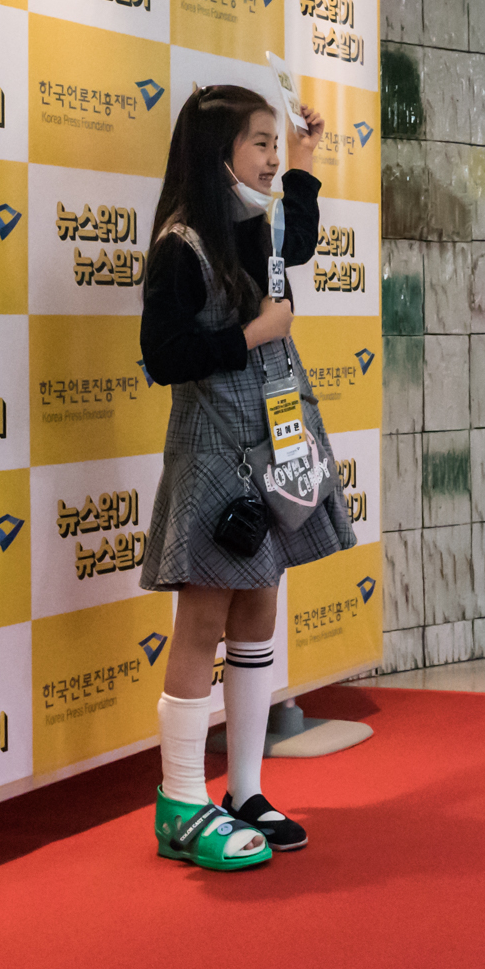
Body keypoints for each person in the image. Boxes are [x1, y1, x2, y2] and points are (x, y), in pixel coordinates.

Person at [137, 83, 356, 873]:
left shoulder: (252, 227)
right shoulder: (181, 244)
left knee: (260, 608)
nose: (268, 158)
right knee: (203, 621)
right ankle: (181, 800)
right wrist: (254, 332)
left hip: (271, 445)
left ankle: (246, 788)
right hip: (213, 455)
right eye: (259, 143)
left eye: (273, 143)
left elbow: (299, 243)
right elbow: (163, 356)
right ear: (216, 151)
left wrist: (304, 159)